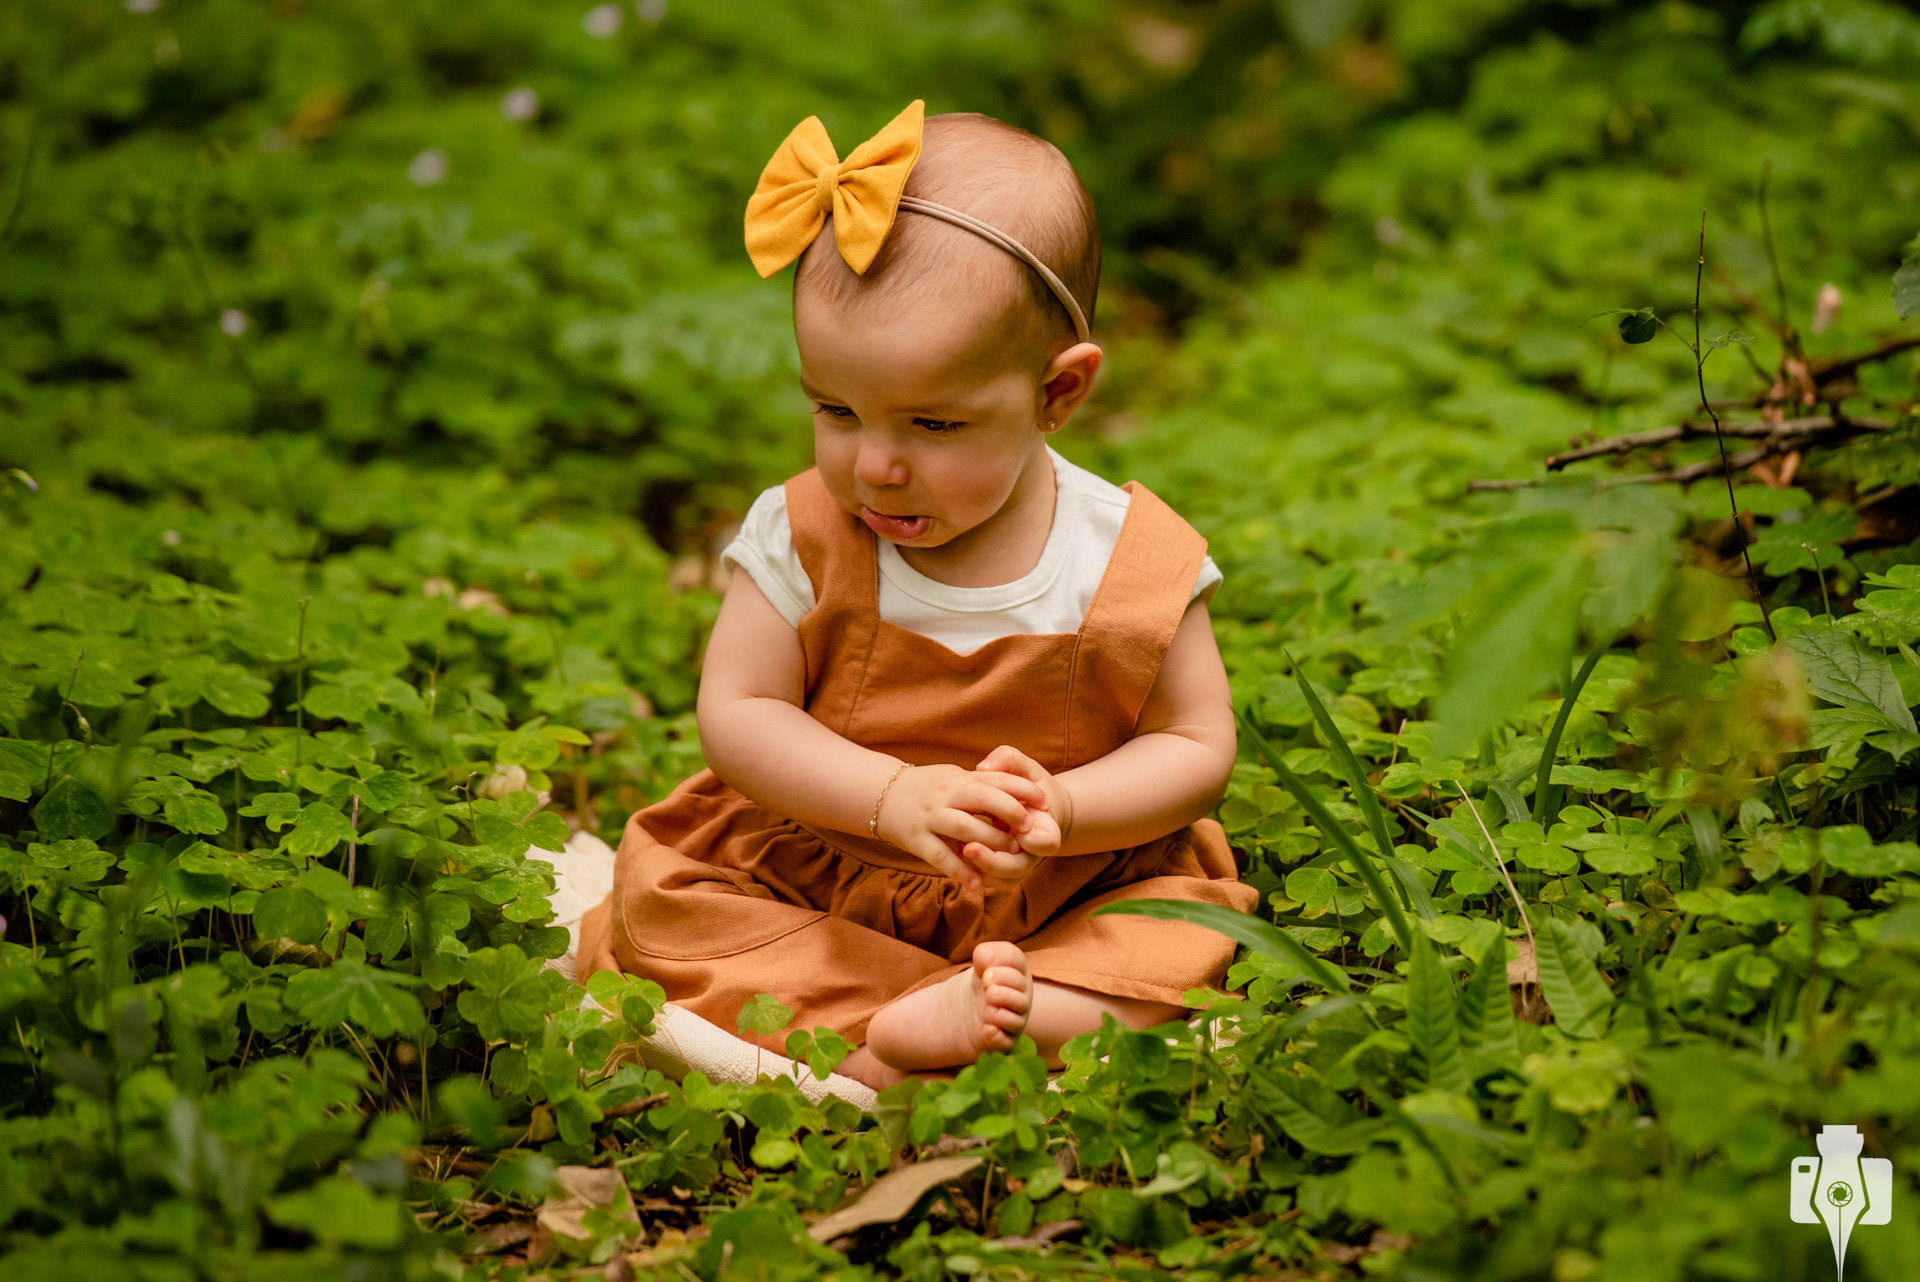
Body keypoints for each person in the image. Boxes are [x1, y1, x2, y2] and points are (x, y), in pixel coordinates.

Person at [577, 99, 1256, 1089]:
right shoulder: (804, 535)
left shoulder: (1126, 559)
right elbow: (738, 712)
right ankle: (919, 1026)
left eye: (933, 425)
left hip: (1060, 890)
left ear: (1057, 393)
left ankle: (986, 1017)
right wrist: (889, 795)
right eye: (837, 410)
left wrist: (1068, 808)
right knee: (675, 903)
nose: (877, 467)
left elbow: (1197, 745)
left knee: (1161, 935)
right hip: (823, 871)